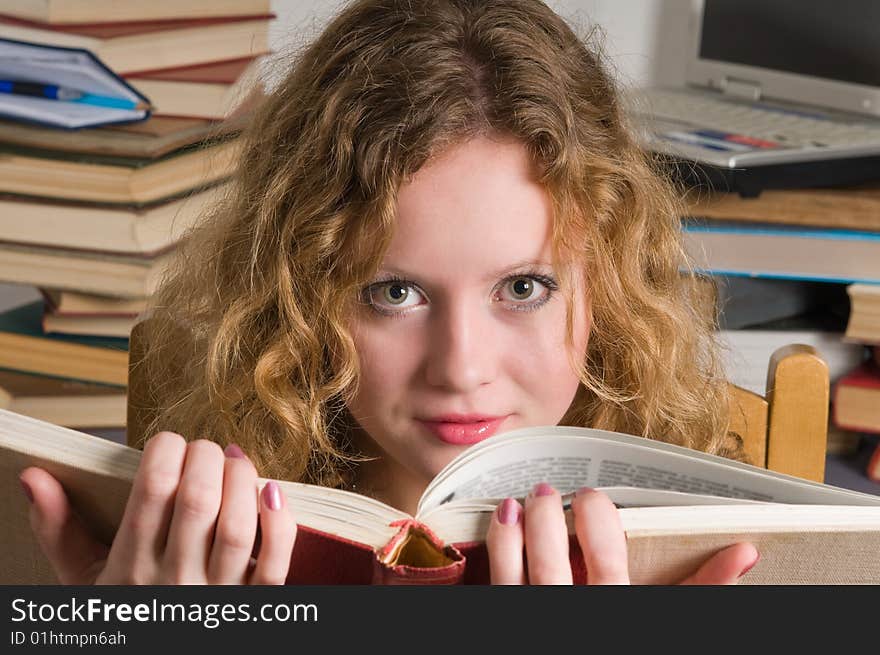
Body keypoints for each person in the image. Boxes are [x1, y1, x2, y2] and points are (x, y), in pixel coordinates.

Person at [18, 0, 758, 585]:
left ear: (609, 288)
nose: (462, 368)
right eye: (395, 291)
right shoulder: (188, 547)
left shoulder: (688, 567)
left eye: (524, 286)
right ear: (301, 298)